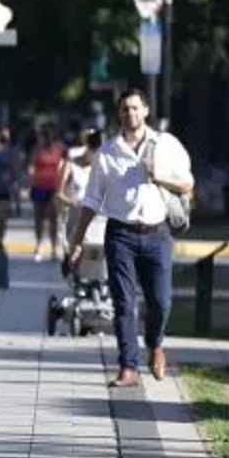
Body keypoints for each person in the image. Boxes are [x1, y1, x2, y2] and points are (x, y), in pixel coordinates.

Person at [64, 88, 193, 388]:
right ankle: (128, 366)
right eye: (124, 109)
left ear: (145, 111)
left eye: (135, 108)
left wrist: (158, 175)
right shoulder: (107, 152)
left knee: (160, 301)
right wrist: (78, 241)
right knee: (123, 303)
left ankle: (155, 343)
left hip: (158, 233)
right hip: (120, 234)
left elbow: (188, 182)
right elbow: (92, 200)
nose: (130, 114)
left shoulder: (166, 144)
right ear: (118, 114)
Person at [29, 124, 65, 261]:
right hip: (38, 186)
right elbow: (32, 165)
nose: (40, 139)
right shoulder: (37, 149)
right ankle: (39, 244)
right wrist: (30, 176)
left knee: (53, 217)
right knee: (38, 218)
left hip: (53, 188)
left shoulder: (58, 149)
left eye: (43, 136)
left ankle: (54, 247)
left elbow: (62, 166)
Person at [0, 125, 22, 250]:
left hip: (3, 188)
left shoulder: (11, 150)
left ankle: (0, 241)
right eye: (3, 133)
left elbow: (15, 168)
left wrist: (16, 184)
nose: (6, 135)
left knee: (2, 218)